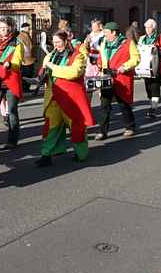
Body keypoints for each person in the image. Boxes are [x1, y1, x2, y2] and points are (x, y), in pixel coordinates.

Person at [34, 30, 95, 166]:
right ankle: (46, 154)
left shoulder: (77, 55)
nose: (56, 45)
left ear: (66, 41)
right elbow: (44, 70)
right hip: (53, 98)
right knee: (51, 127)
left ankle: (81, 153)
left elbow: (74, 72)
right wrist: (40, 75)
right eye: (54, 43)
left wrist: (52, 67)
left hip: (71, 99)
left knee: (76, 126)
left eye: (59, 42)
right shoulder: (50, 55)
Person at [94, 22, 140, 140]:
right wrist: (99, 64)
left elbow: (136, 58)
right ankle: (102, 131)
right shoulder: (104, 43)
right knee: (104, 105)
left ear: (114, 33)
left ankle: (130, 127)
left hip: (121, 77)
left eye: (106, 33)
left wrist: (125, 66)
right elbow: (101, 56)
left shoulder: (128, 43)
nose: (104, 35)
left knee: (123, 104)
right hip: (107, 77)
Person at [0, 17, 24, 150]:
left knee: (12, 111)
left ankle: (12, 140)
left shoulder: (17, 43)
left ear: (11, 28)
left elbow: (17, 63)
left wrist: (9, 65)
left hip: (10, 80)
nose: (3, 30)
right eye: (1, 28)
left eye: (6, 28)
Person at [138, 19, 161, 117]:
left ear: (154, 28)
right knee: (148, 88)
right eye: (146, 27)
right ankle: (152, 103)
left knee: (155, 87)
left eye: (149, 27)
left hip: (157, 67)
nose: (147, 29)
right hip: (145, 67)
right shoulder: (142, 38)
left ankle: (153, 108)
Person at [17, 22, 36, 92]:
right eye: (28, 28)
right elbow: (24, 47)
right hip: (26, 59)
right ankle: (25, 88)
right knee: (26, 74)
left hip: (28, 58)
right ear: (24, 28)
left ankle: (26, 88)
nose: (29, 29)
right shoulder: (22, 35)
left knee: (28, 74)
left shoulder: (25, 35)